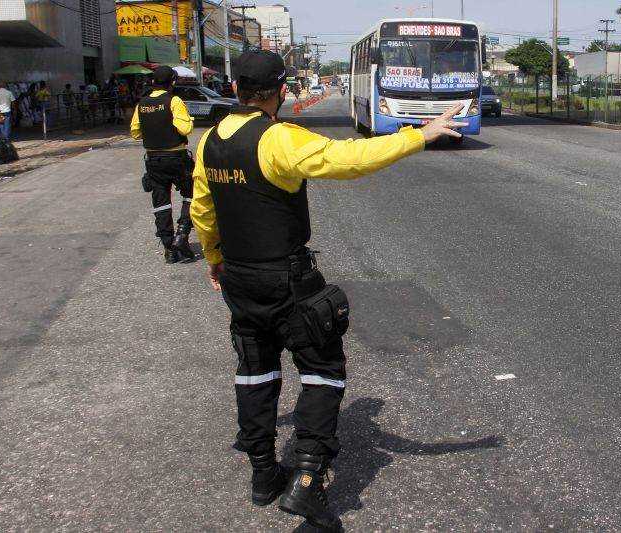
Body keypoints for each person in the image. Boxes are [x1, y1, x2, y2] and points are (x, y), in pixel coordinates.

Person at [188, 49, 466, 532]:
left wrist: (214, 259)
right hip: (287, 279)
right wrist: (418, 136)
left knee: (255, 370)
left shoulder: (210, 141)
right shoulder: (278, 139)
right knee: (323, 370)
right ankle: (309, 480)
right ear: (281, 91)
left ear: (234, 89)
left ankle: (262, 475)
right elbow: (347, 159)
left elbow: (202, 209)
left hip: (240, 278)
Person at [130, 65, 196, 264]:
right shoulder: (173, 101)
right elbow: (185, 128)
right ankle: (182, 234)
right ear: (172, 83)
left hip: (154, 162)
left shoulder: (142, 104)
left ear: (152, 82)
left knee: (161, 204)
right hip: (177, 159)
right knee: (192, 195)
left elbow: (135, 132)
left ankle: (169, 249)